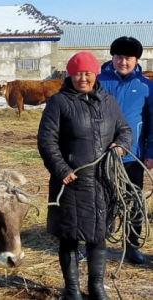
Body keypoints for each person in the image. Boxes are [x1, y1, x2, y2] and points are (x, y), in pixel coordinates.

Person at [38, 52, 132, 300]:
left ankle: (96, 286)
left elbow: (124, 129)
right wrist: (61, 169)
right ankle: (71, 290)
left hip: (103, 181)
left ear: (95, 74)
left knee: (98, 234)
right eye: (78, 73)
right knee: (69, 236)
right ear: (70, 74)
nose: (83, 78)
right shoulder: (58, 102)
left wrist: (121, 145)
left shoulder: (108, 101)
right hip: (71, 182)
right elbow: (47, 141)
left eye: (88, 73)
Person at [97, 36, 153, 265]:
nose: (123, 62)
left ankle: (131, 246)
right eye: (119, 57)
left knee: (134, 201)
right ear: (113, 57)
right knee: (100, 201)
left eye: (128, 58)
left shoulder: (145, 86)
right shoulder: (98, 81)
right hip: (100, 155)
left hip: (133, 155)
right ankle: (96, 245)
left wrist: (151, 152)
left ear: (136, 59)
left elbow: (152, 120)